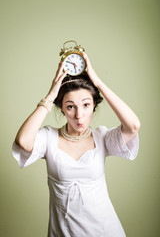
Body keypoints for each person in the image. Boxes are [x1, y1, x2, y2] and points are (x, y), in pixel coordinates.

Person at [12, 52, 140, 237]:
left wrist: (98, 84)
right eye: (70, 106)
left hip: (106, 231)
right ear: (62, 108)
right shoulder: (48, 138)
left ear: (93, 106)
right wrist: (51, 94)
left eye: (86, 105)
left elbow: (133, 125)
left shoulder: (102, 137)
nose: (79, 115)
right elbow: (23, 142)